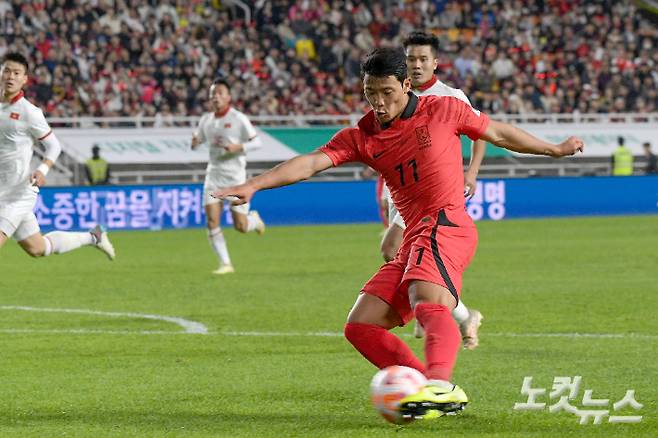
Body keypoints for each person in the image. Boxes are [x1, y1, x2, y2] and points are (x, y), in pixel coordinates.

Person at [213, 48, 583, 419]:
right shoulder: (362, 135)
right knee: (361, 325)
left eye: (386, 92)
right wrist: (255, 185)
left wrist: (554, 149)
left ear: (406, 85)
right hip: (414, 237)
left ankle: (439, 383)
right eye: (370, 93)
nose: (378, 102)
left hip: (446, 224)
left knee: (426, 298)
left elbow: (499, 133)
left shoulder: (443, 110)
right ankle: (427, 391)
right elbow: (310, 162)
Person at [381, 31, 487, 343]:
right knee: (403, 255)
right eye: (410, 59)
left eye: (423, 59)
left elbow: (481, 134)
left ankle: (449, 314)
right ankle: (455, 315)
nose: (416, 64)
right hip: (400, 189)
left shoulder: (451, 96)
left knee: (391, 249)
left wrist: (472, 173)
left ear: (435, 62)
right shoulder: (394, 94)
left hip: (434, 192)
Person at [0, 52, 115, 260]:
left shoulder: (29, 112)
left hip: (19, 192)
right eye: (7, 70)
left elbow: (54, 146)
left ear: (25, 79)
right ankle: (94, 237)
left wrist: (43, 169)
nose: (10, 76)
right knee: (38, 248)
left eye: (17, 73)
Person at [191, 78, 266, 275]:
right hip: (213, 176)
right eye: (212, 94)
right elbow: (197, 141)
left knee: (240, 226)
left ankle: (254, 221)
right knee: (211, 221)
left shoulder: (238, 118)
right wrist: (194, 142)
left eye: (220, 93)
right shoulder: (206, 120)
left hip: (235, 178)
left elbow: (257, 142)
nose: (215, 97)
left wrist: (239, 146)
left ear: (228, 97)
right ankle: (226, 264)